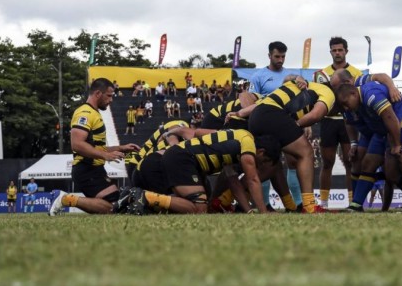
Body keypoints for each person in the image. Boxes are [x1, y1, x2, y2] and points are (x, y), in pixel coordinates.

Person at [234, 79, 336, 213]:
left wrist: (239, 113)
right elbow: (315, 115)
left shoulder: (295, 85)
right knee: (306, 153)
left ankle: (229, 197)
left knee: (272, 164)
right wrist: (297, 126)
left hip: (256, 117)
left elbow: (261, 103)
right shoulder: (328, 92)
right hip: (273, 115)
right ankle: (310, 206)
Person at [127, 129, 280, 215]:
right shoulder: (248, 147)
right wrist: (263, 212)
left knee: (191, 208)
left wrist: (249, 211)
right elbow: (252, 180)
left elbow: (233, 181)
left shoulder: (235, 140)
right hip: (181, 159)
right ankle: (145, 197)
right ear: (260, 151)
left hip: (180, 158)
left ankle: (145, 200)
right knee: (199, 209)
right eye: (264, 161)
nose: (261, 164)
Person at [49, 78, 140, 215]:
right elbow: (77, 144)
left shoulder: (94, 112)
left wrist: (120, 148)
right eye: (109, 95)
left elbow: (94, 147)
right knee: (113, 208)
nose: (111, 100)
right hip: (87, 169)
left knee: (118, 203)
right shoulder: (85, 113)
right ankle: (65, 199)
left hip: (95, 169)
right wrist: (105, 155)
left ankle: (68, 199)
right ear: (98, 93)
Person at [336, 82, 402, 212]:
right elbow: (350, 123)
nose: (346, 108)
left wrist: (397, 144)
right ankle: (356, 205)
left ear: (354, 93)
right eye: (343, 105)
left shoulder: (370, 93)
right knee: (371, 164)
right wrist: (354, 144)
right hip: (386, 130)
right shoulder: (353, 108)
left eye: (346, 103)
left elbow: (390, 117)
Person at [248, 41, 302, 208]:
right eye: (277, 56)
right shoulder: (258, 76)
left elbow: (298, 102)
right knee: (265, 162)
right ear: (269, 55)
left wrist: (303, 124)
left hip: (286, 121)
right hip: (265, 123)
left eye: (283, 56)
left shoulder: (292, 75)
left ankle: (298, 203)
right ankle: (264, 203)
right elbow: (250, 100)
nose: (280, 59)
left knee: (293, 161)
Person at [316, 37, 362, 209]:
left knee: (350, 162)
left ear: (346, 51)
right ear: (330, 52)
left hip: (348, 121)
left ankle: (352, 202)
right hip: (328, 121)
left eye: (340, 50)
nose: (337, 53)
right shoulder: (320, 74)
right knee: (327, 163)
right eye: (334, 50)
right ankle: (324, 204)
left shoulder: (356, 73)